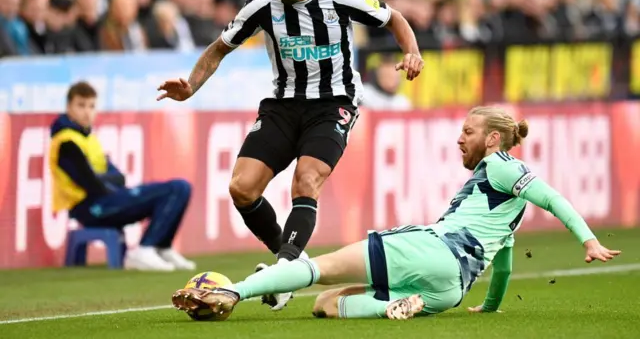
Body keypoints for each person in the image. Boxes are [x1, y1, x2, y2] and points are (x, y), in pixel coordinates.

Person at [157, 0, 424, 309]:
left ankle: (282, 270)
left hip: (333, 104)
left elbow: (394, 17)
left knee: (307, 179)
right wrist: (190, 86)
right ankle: (292, 265)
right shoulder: (261, 6)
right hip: (283, 105)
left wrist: (411, 52)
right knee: (242, 188)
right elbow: (220, 47)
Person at [171, 106, 621, 320]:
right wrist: (488, 307)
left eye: (468, 132)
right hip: (451, 290)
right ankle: (408, 303)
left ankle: (235, 293)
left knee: (316, 269)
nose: (459, 139)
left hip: (430, 249)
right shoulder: (505, 217)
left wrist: (588, 239)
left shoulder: (502, 167)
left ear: (493, 140)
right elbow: (502, 268)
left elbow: (554, 198)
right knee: (326, 306)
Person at [49, 81, 196, 272]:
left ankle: (161, 246)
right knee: (175, 188)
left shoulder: (88, 138)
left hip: (106, 200)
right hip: (89, 207)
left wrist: (104, 179)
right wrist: (105, 180)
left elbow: (118, 177)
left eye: (91, 106)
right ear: (69, 107)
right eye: (81, 105)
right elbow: (91, 183)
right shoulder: (66, 142)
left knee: (182, 187)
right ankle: (144, 249)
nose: (87, 112)